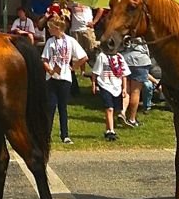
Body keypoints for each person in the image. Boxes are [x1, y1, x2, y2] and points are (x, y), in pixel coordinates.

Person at [42, 16, 87, 144]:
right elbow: (44, 59)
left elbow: (84, 57)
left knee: (63, 107)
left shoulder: (71, 41)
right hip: (51, 78)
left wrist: (73, 68)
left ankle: (65, 135)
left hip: (65, 78)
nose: (49, 30)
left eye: (50, 28)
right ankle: (47, 134)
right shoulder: (50, 41)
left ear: (57, 28)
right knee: (50, 106)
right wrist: (50, 70)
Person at [91, 48, 130, 141]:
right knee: (109, 108)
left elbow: (124, 74)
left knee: (116, 109)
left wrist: (124, 88)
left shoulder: (120, 57)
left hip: (117, 86)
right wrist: (93, 84)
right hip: (105, 84)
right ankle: (111, 131)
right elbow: (95, 72)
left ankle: (108, 129)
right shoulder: (102, 56)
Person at [120, 37, 151, 128]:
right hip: (140, 61)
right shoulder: (142, 32)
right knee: (135, 92)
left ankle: (122, 112)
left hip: (125, 60)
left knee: (126, 90)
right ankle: (132, 119)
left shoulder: (125, 32)